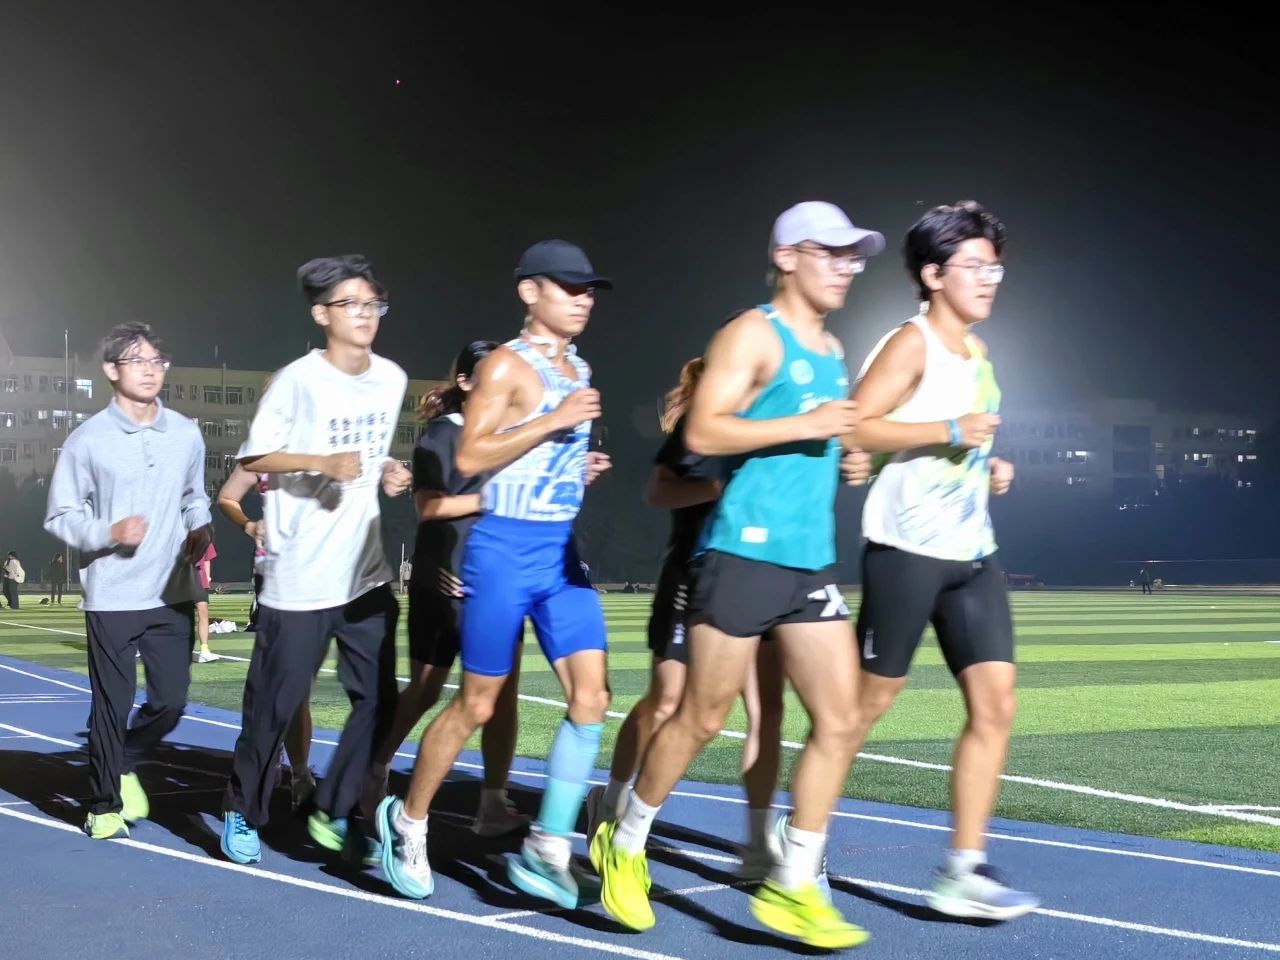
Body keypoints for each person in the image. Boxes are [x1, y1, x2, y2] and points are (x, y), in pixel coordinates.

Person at [593, 202, 879, 950]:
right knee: (701, 718)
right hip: (742, 554)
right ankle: (625, 839)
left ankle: (794, 882)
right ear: (786, 256)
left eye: (853, 256)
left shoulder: (833, 347)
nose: (846, 267)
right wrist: (808, 425)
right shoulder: (752, 333)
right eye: (831, 252)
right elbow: (704, 430)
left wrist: (847, 453)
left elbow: (812, 439)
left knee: (842, 720)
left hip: (809, 560)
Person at [379, 240, 613, 908]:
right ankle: (408, 821)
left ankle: (547, 846)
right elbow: (473, 455)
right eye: (569, 288)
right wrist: (556, 420)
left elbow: (539, 459)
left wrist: (577, 468)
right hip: (504, 550)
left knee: (592, 699)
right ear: (530, 292)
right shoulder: (506, 366)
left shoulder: (579, 365)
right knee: (477, 703)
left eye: (589, 290)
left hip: (558, 552)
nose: (583, 300)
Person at [847, 200, 1038, 921]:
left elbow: (967, 441)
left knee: (996, 705)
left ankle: (963, 870)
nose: (989, 280)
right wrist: (951, 429)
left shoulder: (979, 353)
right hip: (906, 549)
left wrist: (992, 464)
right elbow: (856, 425)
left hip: (971, 553)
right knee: (865, 706)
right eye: (975, 267)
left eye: (996, 268)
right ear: (933, 275)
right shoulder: (911, 343)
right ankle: (799, 832)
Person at [219, 254, 412, 865]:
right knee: (272, 708)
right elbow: (254, 459)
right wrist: (321, 462)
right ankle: (243, 810)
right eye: (351, 304)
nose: (365, 314)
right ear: (322, 314)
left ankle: (334, 805)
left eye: (373, 303)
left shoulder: (393, 379)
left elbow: (370, 452)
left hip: (364, 571)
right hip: (299, 577)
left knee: (379, 699)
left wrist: (388, 469)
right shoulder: (296, 381)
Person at [44, 321, 213, 840]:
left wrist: (201, 523)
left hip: (170, 590)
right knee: (111, 706)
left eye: (157, 360)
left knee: (171, 701)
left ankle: (126, 758)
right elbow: (61, 515)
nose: (149, 370)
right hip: (113, 594)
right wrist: (108, 532)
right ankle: (102, 805)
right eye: (137, 360)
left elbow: (194, 495)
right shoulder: (87, 440)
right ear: (111, 370)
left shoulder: (185, 432)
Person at [362, 340, 527, 836]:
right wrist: (494, 497)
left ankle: (493, 802)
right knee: (427, 688)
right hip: (446, 577)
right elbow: (429, 507)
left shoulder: (509, 435)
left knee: (504, 696)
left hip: (499, 579)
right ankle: (374, 770)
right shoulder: (442, 435)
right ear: (466, 382)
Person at [216, 463, 316, 810]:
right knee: (278, 681)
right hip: (275, 575)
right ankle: (270, 769)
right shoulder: (262, 452)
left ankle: (299, 772)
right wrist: (248, 525)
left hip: (320, 575)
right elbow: (227, 497)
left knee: (300, 686)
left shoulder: (327, 443)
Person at [193, 542, 219, 663]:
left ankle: (204, 651)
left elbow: (207, 559)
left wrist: (207, 578)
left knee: (203, 614)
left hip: (200, 582)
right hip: (181, 581)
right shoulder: (176, 534)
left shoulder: (204, 537)